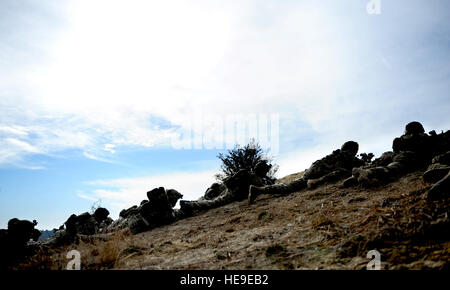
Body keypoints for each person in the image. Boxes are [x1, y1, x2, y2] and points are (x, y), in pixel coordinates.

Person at [248, 141, 365, 204]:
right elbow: (360, 164)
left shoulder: (335, 154)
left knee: (290, 186)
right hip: (320, 172)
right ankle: (315, 182)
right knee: (344, 172)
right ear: (353, 150)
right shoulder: (346, 154)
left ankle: (259, 190)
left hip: (314, 168)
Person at [180, 161, 273, 215]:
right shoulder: (256, 179)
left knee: (213, 200)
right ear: (262, 170)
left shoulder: (249, 173)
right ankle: (190, 205)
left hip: (229, 189)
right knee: (214, 203)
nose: (266, 172)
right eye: (265, 170)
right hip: (234, 194)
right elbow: (263, 187)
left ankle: (192, 203)